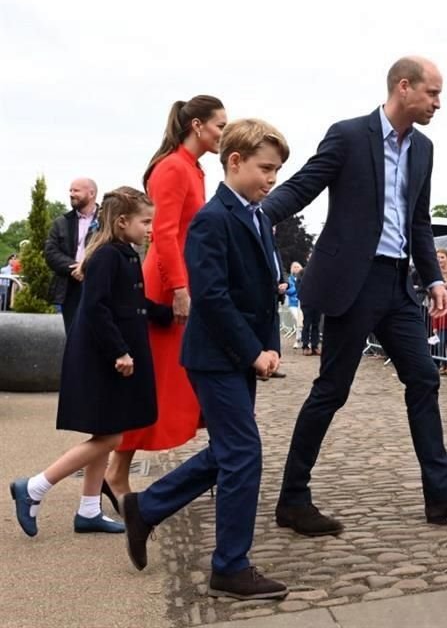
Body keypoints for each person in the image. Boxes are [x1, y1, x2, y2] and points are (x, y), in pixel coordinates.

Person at [261, 56, 447, 535]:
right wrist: (249, 217)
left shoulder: (424, 149)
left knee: (424, 379)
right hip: (353, 281)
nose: (438, 103)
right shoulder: (350, 135)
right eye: (432, 93)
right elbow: (305, 186)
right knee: (331, 390)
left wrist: (434, 278)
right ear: (404, 86)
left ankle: (441, 494)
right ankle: (292, 498)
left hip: (398, 284)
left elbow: (419, 219)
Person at [120, 119, 290, 600]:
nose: (271, 179)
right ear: (234, 162)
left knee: (228, 452)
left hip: (239, 355)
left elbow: (265, 291)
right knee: (243, 453)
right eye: (265, 169)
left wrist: (270, 343)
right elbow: (212, 298)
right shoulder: (213, 219)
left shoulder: (257, 215)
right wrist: (253, 351)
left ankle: (147, 506)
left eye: (276, 170)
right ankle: (229, 566)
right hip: (215, 357)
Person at [10, 187, 171, 537]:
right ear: (123, 221)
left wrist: (168, 314)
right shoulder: (106, 257)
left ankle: (88, 511)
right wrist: (120, 351)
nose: (150, 229)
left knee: (107, 430)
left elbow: (133, 302)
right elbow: (97, 309)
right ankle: (34, 487)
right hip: (103, 359)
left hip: (110, 356)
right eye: (145, 221)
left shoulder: (123, 254)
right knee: (111, 437)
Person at [106, 96, 228, 502]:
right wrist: (178, 288)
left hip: (183, 281)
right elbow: (166, 234)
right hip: (167, 285)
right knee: (155, 384)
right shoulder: (174, 168)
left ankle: (222, 462)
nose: (223, 134)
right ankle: (116, 472)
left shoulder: (192, 168)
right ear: (197, 125)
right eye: (219, 126)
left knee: (186, 380)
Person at [43, 178, 99, 333]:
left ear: (91, 193)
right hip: (70, 287)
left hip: (98, 285)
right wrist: (75, 268)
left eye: (76, 190)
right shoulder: (61, 222)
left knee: (98, 335)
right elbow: (50, 252)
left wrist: (87, 268)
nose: (71, 194)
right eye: (70, 190)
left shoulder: (106, 221)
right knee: (73, 335)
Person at [286, 262, 304, 348]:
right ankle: (298, 340)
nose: (296, 268)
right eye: (294, 267)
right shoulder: (290, 279)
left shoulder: (303, 277)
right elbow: (288, 291)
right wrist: (297, 287)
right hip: (293, 304)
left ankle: (299, 339)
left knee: (301, 321)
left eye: (298, 267)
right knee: (298, 319)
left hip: (302, 303)